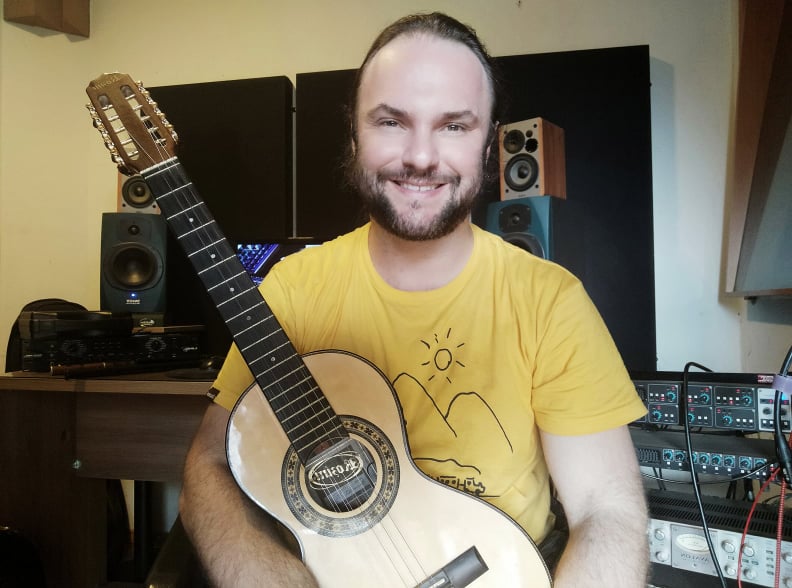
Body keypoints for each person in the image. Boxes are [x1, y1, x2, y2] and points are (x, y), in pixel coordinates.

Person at [180, 12, 649, 587]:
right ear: (354, 135)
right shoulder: (293, 290)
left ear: (488, 144)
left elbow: (607, 510)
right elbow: (210, 463)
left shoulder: (549, 300)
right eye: (391, 121)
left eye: (453, 125)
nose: (422, 157)